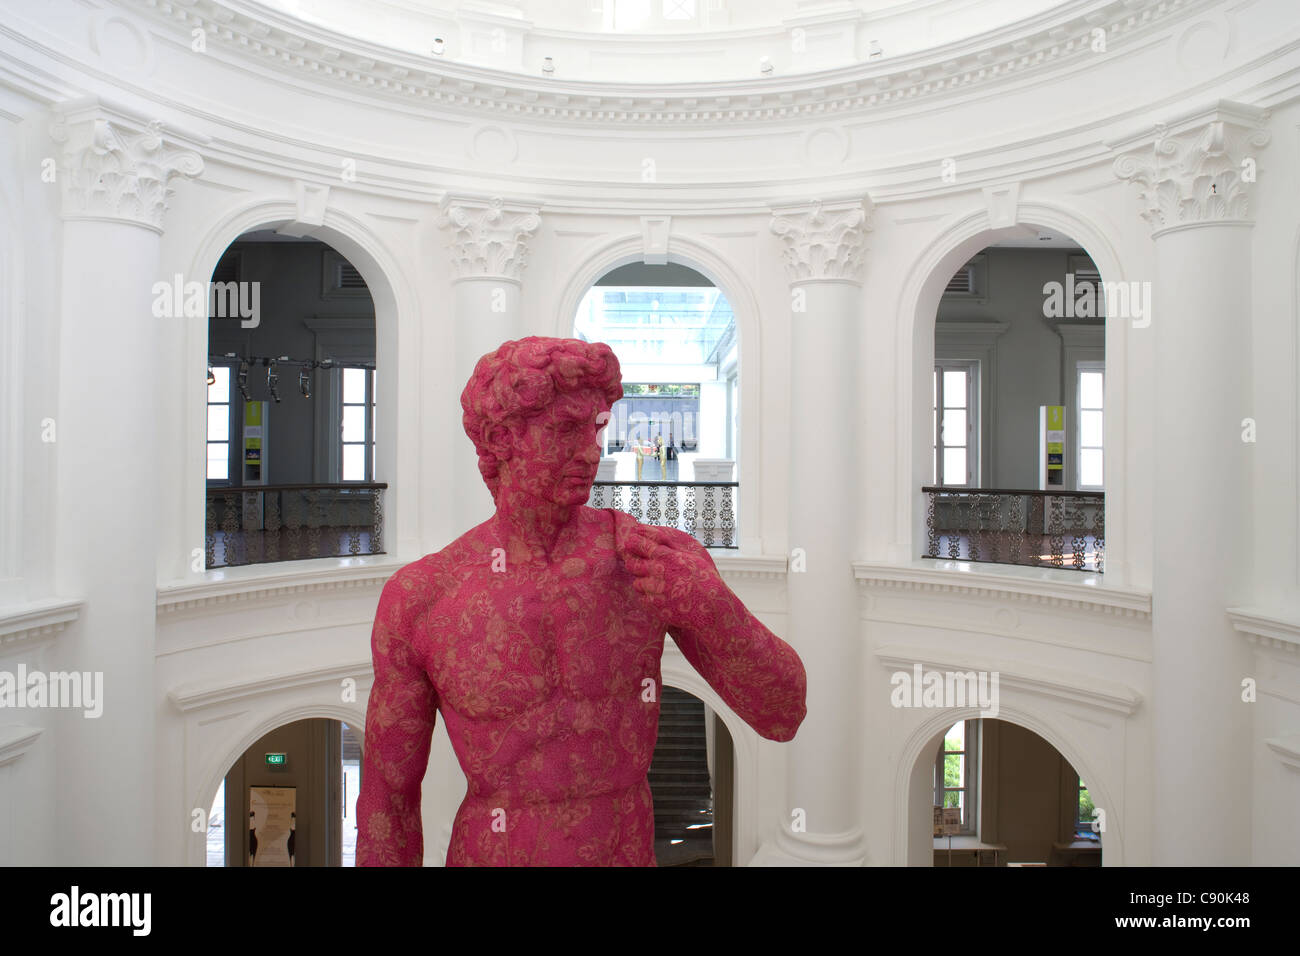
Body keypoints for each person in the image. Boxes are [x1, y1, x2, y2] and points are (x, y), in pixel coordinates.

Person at [356, 337, 806, 866]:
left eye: (596, 429)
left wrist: (714, 607)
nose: (592, 451)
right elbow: (389, 797)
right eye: (566, 430)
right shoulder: (424, 598)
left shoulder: (650, 560)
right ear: (502, 439)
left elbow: (783, 714)